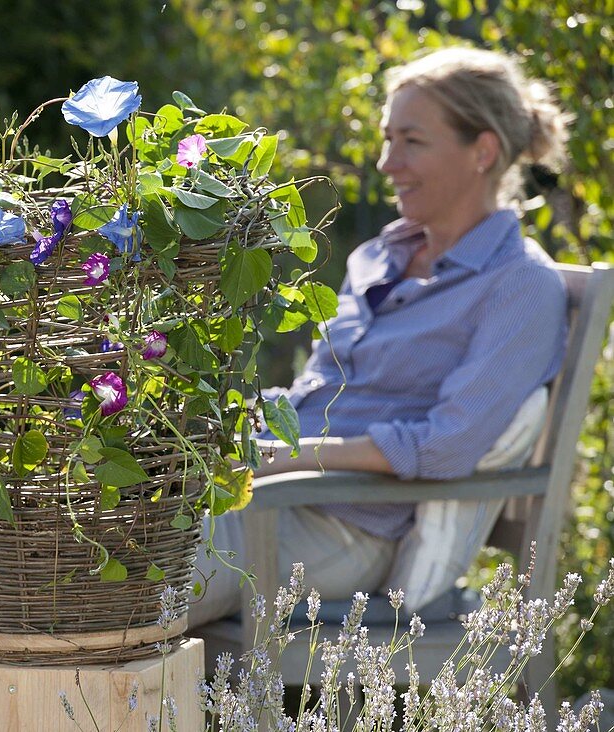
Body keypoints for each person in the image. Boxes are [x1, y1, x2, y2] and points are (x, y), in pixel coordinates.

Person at [190, 46, 571, 626]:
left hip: (343, 526)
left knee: (123, 584)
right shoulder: (378, 258)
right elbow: (317, 395)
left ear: (483, 150)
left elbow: (445, 444)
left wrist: (292, 458)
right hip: (266, 491)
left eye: (412, 141)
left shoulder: (519, 287)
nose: (388, 163)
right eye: (388, 139)